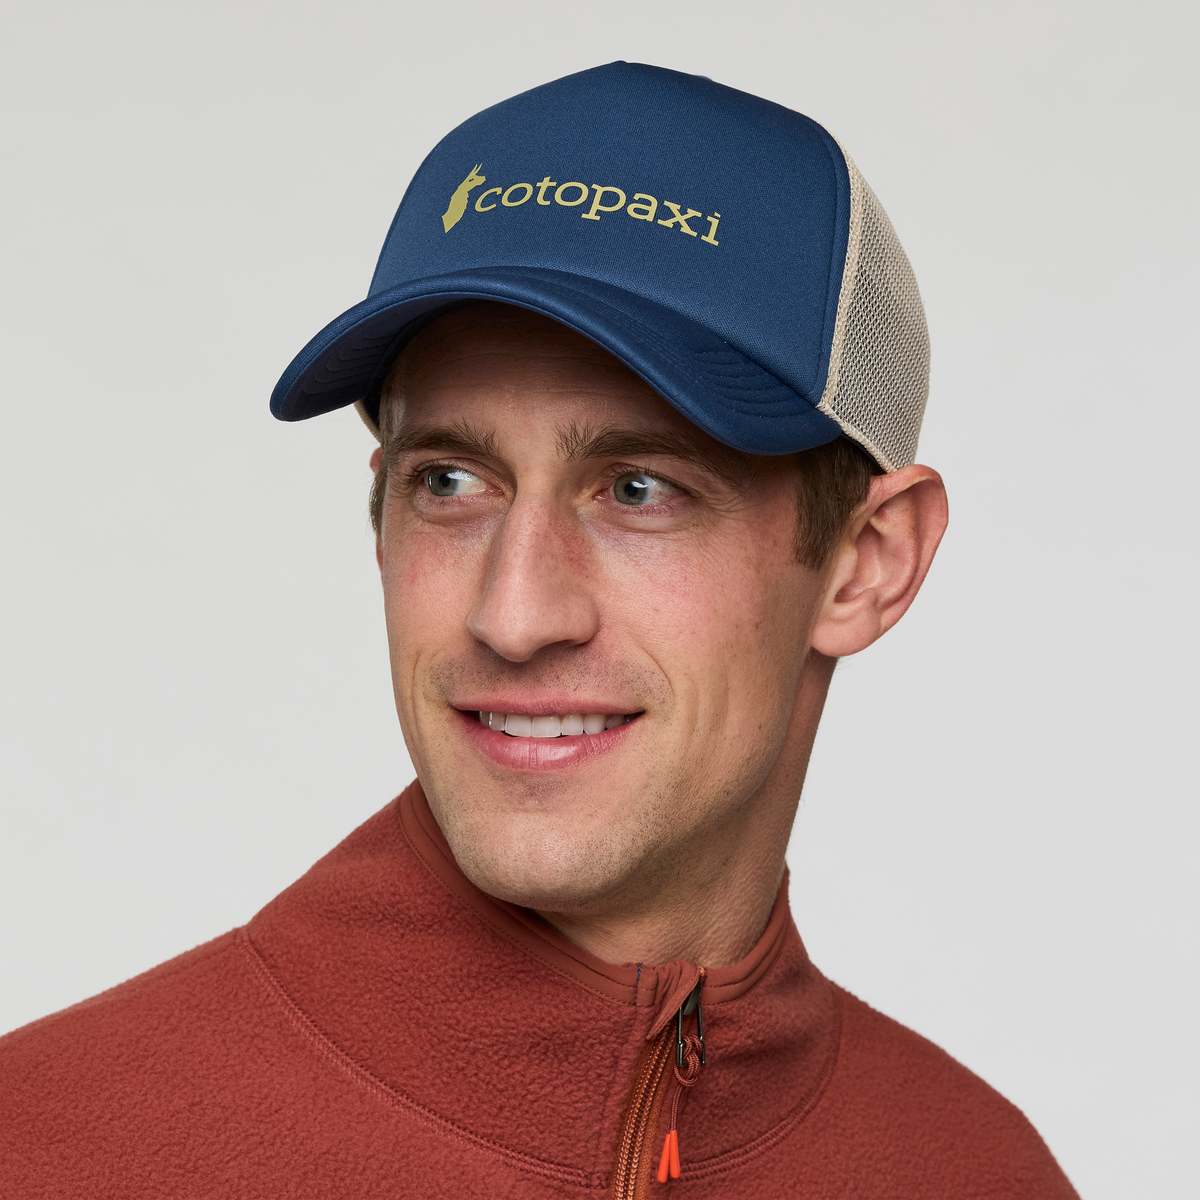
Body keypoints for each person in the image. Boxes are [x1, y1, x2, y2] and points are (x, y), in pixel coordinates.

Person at [0, 62, 1078, 1198]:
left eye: (640, 490)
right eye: (451, 481)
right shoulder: (47, 1151)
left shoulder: (983, 1175)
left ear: (869, 562)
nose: (512, 616)